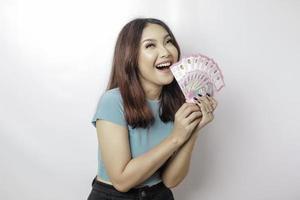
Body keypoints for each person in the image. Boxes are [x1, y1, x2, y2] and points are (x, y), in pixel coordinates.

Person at [87, 17, 217, 200]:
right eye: (150, 46)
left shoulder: (177, 104)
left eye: (168, 42)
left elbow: (171, 180)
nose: (165, 52)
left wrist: (192, 131)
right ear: (130, 56)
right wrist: (176, 137)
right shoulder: (113, 101)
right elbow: (122, 181)